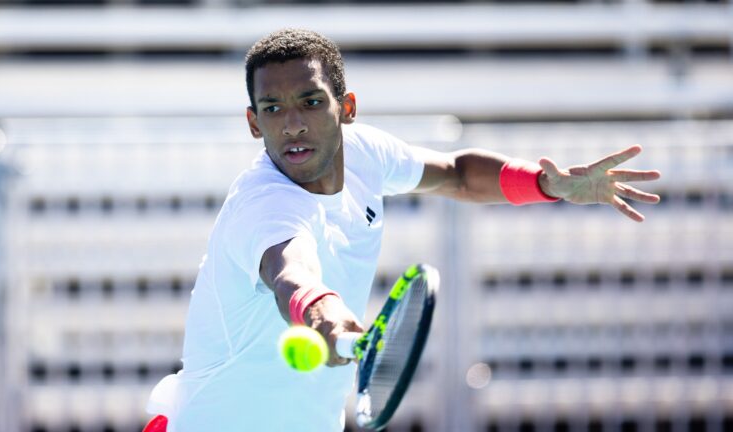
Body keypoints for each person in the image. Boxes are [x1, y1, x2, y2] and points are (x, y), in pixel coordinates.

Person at [143, 28, 660, 432]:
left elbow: (457, 174)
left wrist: (547, 185)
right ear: (254, 123)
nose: (292, 124)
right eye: (272, 110)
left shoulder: (367, 154)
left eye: (311, 102)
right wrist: (327, 317)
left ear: (346, 109)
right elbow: (291, 276)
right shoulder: (264, 206)